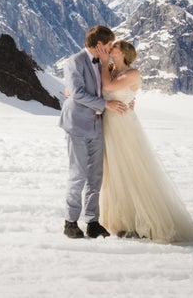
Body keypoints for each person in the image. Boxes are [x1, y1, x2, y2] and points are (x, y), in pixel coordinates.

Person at [97, 40, 193, 243]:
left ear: (124, 53)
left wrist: (104, 62)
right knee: (114, 171)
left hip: (123, 126)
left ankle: (142, 221)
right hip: (108, 125)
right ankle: (123, 221)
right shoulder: (110, 69)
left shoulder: (132, 73)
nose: (111, 49)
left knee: (131, 169)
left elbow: (109, 86)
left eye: (115, 47)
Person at [58, 25, 128, 239]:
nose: (110, 48)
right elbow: (77, 93)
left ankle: (92, 221)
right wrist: (105, 105)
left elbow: (109, 88)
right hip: (77, 124)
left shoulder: (102, 63)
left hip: (97, 125)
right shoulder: (74, 62)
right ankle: (70, 222)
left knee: (95, 176)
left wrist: (126, 100)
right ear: (99, 45)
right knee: (78, 174)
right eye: (108, 45)